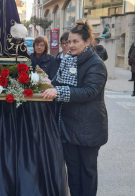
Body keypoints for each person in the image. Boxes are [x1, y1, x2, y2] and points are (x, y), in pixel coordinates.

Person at [43, 20, 108, 196]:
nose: (70, 46)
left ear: (87, 42)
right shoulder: (69, 60)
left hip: (88, 127)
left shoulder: (95, 64)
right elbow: (58, 83)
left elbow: (89, 92)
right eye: (68, 42)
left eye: (75, 42)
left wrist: (58, 91)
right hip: (68, 125)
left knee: (87, 172)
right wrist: (49, 84)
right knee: (72, 170)